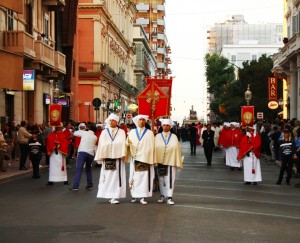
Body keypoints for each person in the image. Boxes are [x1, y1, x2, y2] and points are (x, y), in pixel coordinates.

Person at [94, 114, 127, 204]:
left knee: (117, 177)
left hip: (118, 157)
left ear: (117, 122)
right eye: (110, 120)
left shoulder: (121, 132)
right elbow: (102, 144)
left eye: (113, 120)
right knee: (107, 176)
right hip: (107, 157)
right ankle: (108, 194)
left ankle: (115, 196)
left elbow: (122, 143)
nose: (111, 122)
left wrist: (121, 152)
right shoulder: (104, 132)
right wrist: (111, 145)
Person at [126, 114, 155, 205]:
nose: (142, 121)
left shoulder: (150, 133)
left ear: (145, 121)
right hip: (135, 158)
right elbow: (127, 143)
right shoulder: (132, 132)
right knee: (133, 177)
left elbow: (152, 146)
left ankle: (143, 196)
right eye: (140, 120)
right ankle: (134, 195)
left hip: (145, 158)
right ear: (137, 121)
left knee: (144, 177)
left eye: (143, 120)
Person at [155, 119, 182, 205]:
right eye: (164, 125)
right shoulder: (158, 136)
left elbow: (177, 149)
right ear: (162, 126)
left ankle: (169, 197)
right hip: (160, 161)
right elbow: (154, 148)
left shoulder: (174, 137)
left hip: (170, 161)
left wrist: (177, 161)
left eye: (167, 125)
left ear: (170, 127)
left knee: (170, 179)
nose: (165, 127)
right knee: (161, 179)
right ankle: (162, 195)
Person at [72, 124, 98, 191]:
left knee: (79, 169)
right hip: (90, 154)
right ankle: (89, 184)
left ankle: (75, 186)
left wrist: (81, 130)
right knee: (88, 169)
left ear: (89, 129)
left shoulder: (84, 133)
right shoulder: (95, 137)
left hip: (82, 152)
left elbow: (75, 133)